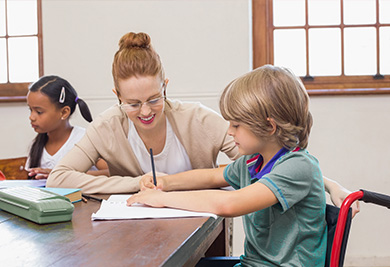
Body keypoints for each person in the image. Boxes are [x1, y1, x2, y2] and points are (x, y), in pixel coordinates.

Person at [47, 32, 359, 217]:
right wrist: (149, 183)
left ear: (166, 86)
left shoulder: (199, 120)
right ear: (117, 96)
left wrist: (331, 184)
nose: (145, 111)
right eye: (132, 103)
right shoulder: (107, 126)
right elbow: (213, 175)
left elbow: (272, 169)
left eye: (154, 99)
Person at [128, 65, 327, 266]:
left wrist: (163, 199)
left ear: (269, 126)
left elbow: (228, 204)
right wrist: (164, 182)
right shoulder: (253, 162)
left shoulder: (298, 166)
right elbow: (213, 176)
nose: (229, 131)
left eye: (236, 125)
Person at [26, 75, 108, 179]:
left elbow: (110, 172)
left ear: (64, 112)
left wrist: (61, 175)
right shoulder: (36, 145)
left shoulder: (85, 140)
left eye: (39, 112)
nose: (31, 117)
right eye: (30, 110)